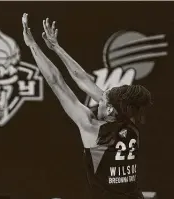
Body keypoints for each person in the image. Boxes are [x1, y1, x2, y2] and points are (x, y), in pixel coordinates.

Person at [22, 13, 153, 199]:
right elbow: (82, 77)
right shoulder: (129, 121)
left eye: (103, 98)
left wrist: (32, 45)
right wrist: (56, 48)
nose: (99, 97)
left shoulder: (93, 129)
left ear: (109, 109)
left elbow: (56, 82)